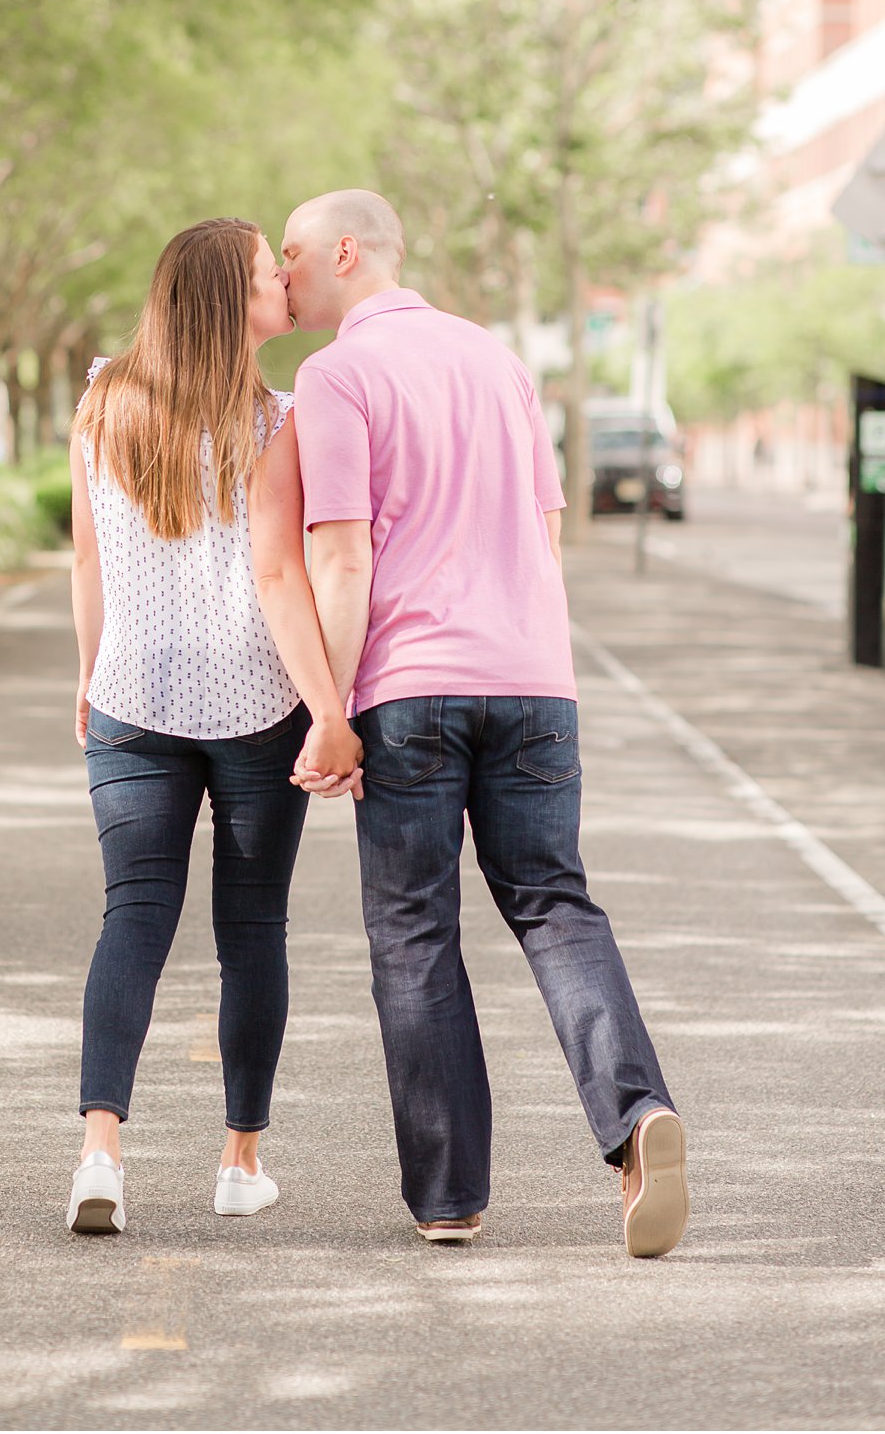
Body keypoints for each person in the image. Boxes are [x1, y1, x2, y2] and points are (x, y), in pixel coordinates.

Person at [282, 189, 688, 1257]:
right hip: (532, 682)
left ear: (345, 249)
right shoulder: (499, 362)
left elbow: (339, 555)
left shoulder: (333, 375)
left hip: (409, 688)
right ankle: (637, 1117)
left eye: (289, 256)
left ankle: (449, 1195)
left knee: (413, 931)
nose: (281, 278)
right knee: (555, 906)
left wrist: (328, 706)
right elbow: (547, 531)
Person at [64, 217, 363, 1237]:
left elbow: (88, 561)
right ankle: (239, 1163)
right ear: (228, 303)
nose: (285, 279)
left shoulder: (102, 401)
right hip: (253, 704)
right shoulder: (275, 423)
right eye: (263, 272)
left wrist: (86, 672)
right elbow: (280, 575)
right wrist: (330, 710)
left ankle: (99, 1149)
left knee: (132, 918)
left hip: (129, 698)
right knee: (252, 930)